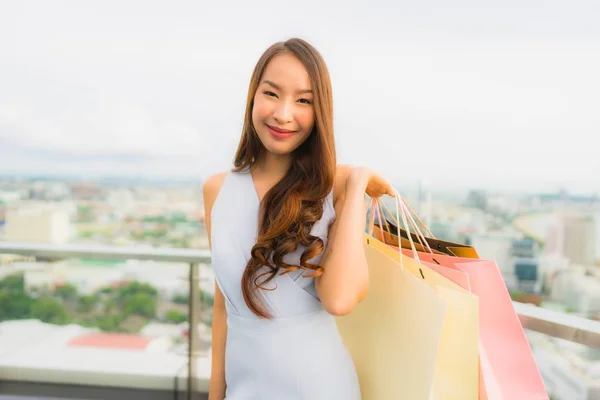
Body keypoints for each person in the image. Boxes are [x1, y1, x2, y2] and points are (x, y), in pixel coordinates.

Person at [202, 37, 394, 400]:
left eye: (304, 100)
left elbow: (338, 300)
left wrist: (355, 187)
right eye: (272, 93)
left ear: (320, 111)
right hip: (244, 386)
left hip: (318, 385)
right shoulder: (216, 190)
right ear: (252, 96)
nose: (284, 114)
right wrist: (215, 394)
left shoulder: (334, 184)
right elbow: (223, 305)